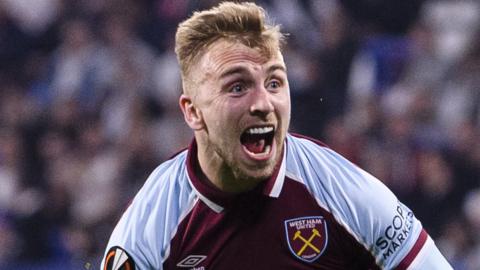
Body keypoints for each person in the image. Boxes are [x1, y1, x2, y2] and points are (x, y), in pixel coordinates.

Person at [101, 2, 452, 269]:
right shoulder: (154, 220)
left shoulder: (341, 190)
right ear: (193, 111)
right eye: (237, 87)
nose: (263, 103)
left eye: (274, 82)